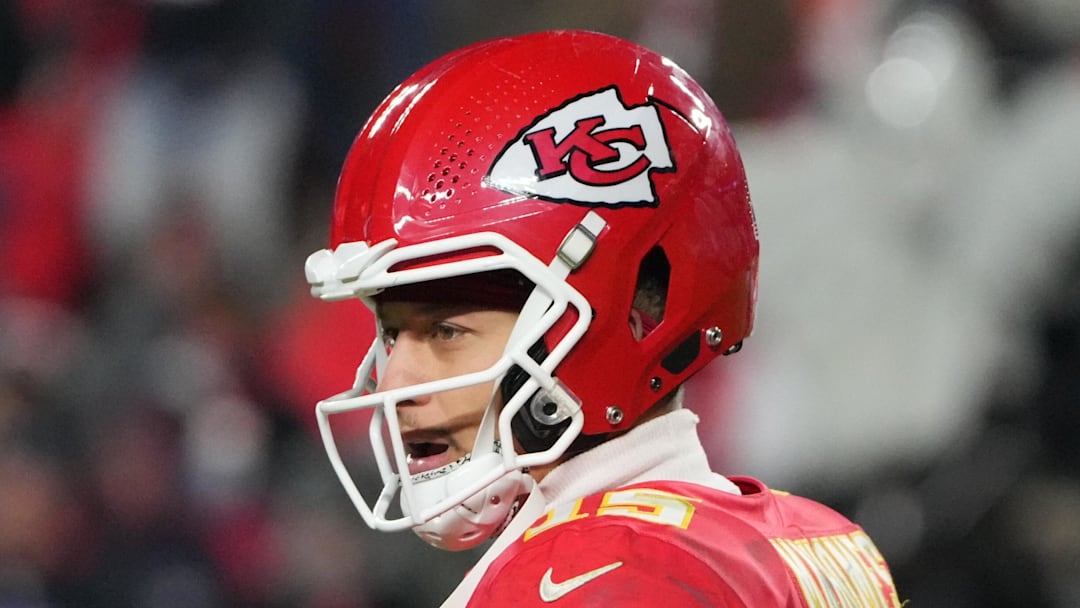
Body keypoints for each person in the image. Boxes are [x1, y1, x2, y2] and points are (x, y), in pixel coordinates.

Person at [304, 30, 901, 607]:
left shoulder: (593, 578)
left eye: (446, 331)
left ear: (627, 319)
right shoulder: (820, 542)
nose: (394, 381)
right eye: (391, 333)